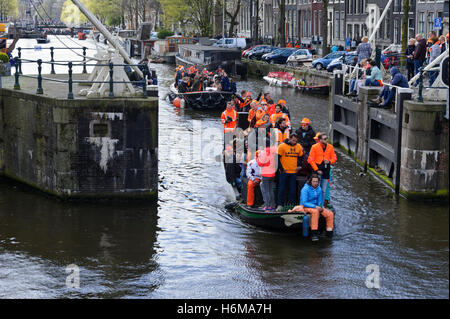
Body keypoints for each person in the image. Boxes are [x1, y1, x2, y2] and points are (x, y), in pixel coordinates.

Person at [299, 174, 334, 241]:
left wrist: (320, 207)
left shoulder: (319, 189)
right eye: (314, 181)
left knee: (330, 214)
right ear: (310, 181)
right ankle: (314, 233)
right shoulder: (305, 189)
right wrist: (315, 207)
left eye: (317, 182)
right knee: (315, 212)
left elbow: (320, 200)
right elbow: (304, 202)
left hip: (316, 207)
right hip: (306, 207)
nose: (315, 183)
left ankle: (329, 232)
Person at [308, 133, 337, 206]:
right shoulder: (314, 147)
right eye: (324, 139)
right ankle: (315, 204)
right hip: (317, 169)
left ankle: (321, 205)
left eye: (327, 138)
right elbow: (311, 160)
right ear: (320, 140)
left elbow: (334, 158)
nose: (326, 140)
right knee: (316, 188)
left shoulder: (330, 147)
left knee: (323, 190)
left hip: (326, 169)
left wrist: (330, 161)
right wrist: (317, 170)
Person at [276, 134, 303, 211]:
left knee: (293, 189)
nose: (295, 142)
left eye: (296, 141)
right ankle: (280, 205)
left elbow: (301, 157)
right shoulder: (282, 146)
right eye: (293, 140)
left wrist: (299, 165)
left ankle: (291, 206)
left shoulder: (299, 147)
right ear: (290, 139)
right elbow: (277, 159)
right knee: (281, 188)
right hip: (284, 172)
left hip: (293, 172)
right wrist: (281, 169)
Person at [256, 143, 278, 211]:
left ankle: (268, 206)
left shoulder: (264, 153)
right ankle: (272, 206)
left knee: (266, 191)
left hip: (265, 174)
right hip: (272, 173)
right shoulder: (274, 152)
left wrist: (257, 158)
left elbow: (260, 163)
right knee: (271, 191)